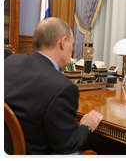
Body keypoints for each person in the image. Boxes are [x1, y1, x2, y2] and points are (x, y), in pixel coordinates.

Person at [4, 17, 103, 157]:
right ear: (63, 43)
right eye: (72, 45)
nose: (72, 50)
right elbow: (67, 145)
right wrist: (86, 125)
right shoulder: (62, 88)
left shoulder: (10, 61)